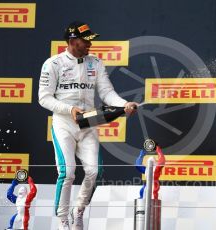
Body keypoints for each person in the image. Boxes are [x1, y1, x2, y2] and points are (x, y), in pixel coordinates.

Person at [38, 21, 138, 230]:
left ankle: (79, 211)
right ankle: (63, 220)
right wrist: (69, 109)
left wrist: (124, 104)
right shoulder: (53, 64)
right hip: (64, 124)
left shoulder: (96, 63)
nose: (90, 45)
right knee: (68, 173)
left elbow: (106, 93)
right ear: (73, 41)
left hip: (89, 123)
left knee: (95, 171)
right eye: (86, 41)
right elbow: (44, 98)